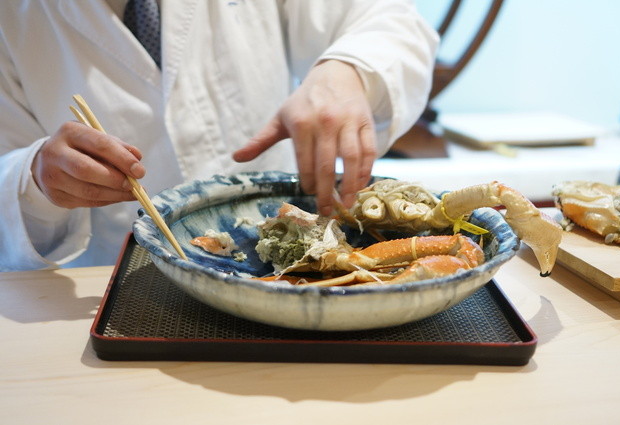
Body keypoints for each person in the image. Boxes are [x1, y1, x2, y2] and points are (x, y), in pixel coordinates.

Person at [0, 1, 438, 271]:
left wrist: (348, 71)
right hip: (111, 280)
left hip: (289, 268)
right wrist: (34, 177)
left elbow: (391, 18)